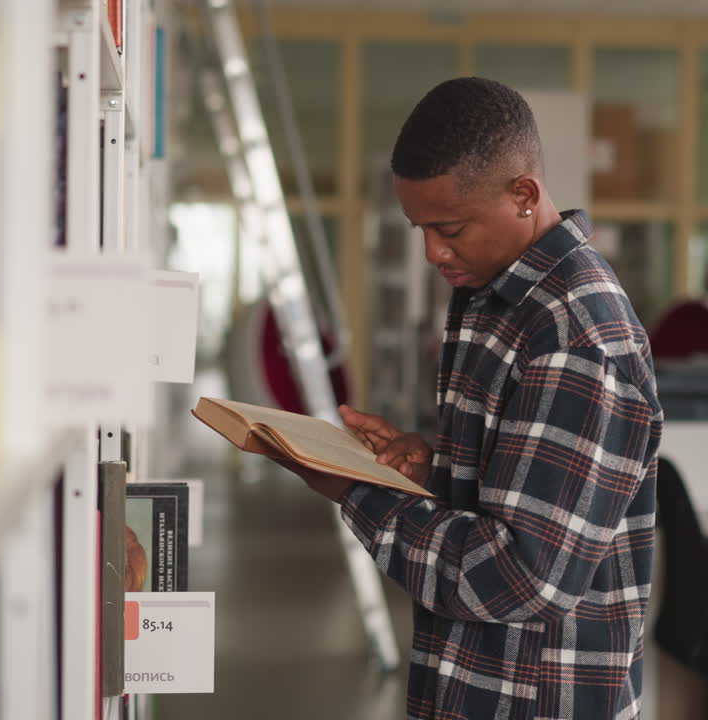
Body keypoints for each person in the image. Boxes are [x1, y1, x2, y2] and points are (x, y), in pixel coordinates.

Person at [282, 77, 663, 719]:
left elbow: (521, 576)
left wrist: (358, 494)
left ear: (524, 195)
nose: (433, 252)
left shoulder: (577, 337)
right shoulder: (492, 295)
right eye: (420, 229)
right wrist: (427, 472)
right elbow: (515, 494)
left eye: (450, 228)